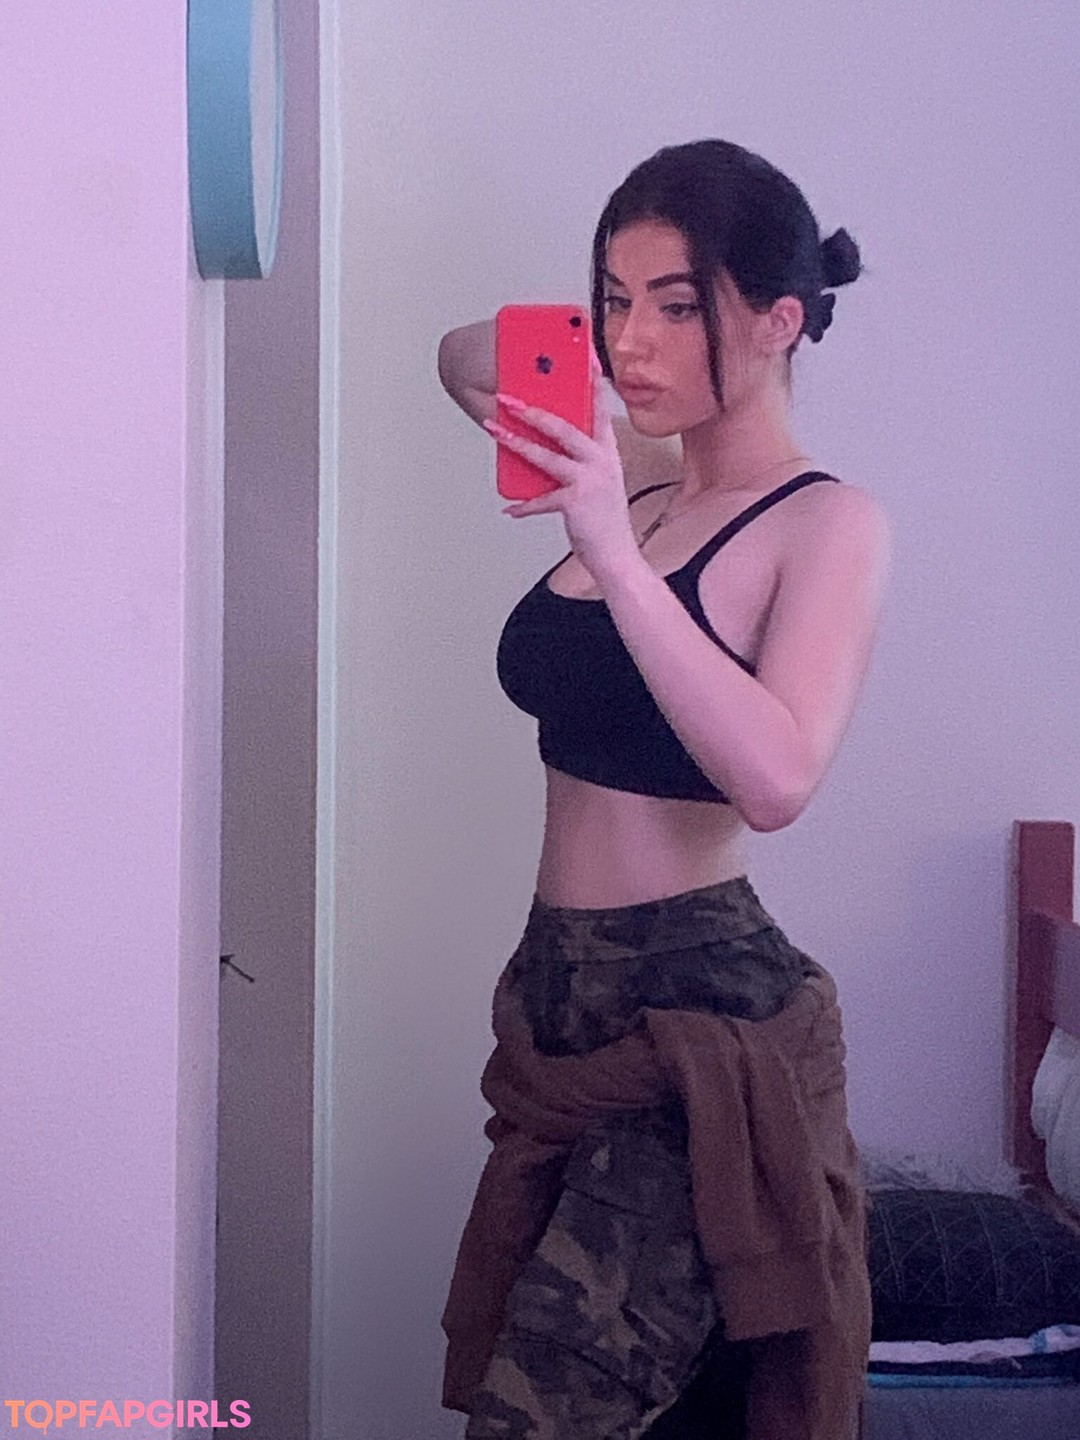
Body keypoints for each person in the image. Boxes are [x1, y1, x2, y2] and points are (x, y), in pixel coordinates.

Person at [436, 139, 892, 1440]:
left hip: (699, 1016)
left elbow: (779, 776)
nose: (634, 341)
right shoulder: (633, 474)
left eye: (680, 307)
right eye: (615, 299)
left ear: (780, 319)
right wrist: (583, 347)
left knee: (539, 1418)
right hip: (558, 1005)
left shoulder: (827, 523)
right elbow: (460, 360)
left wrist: (616, 559)